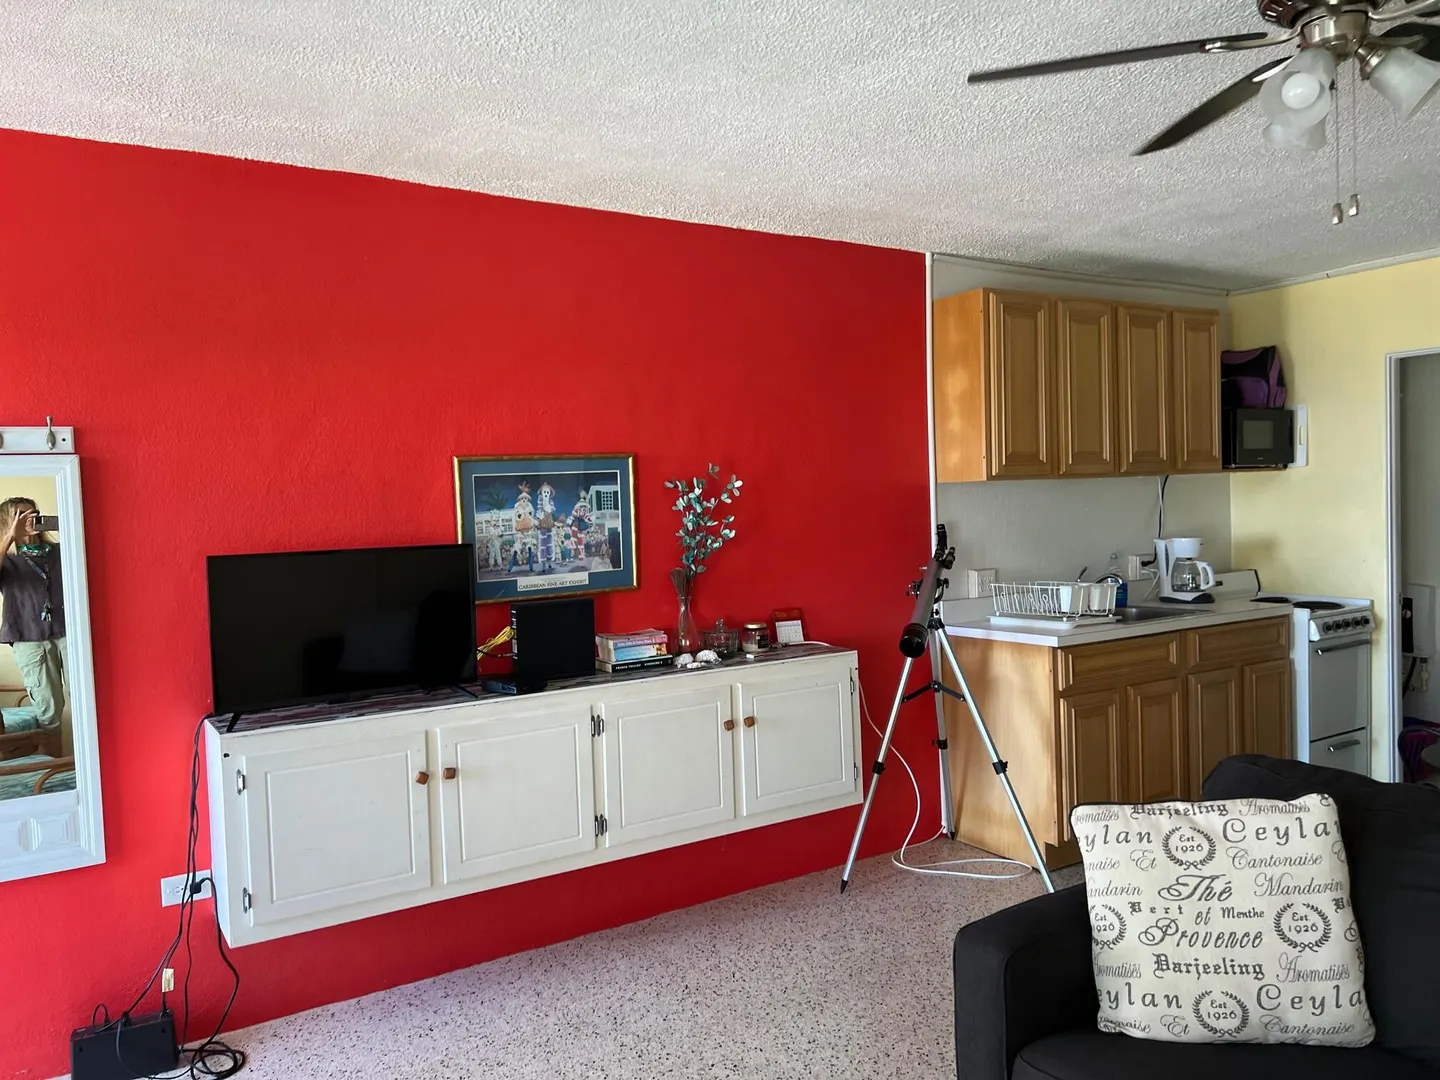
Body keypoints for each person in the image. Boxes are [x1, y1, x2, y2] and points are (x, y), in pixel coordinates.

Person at [0, 498, 66, 732]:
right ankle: (54, 756)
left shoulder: (60, 551)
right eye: (20, 515)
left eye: (34, 513)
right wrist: (10, 536)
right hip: (29, 637)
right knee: (49, 710)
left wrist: (68, 526)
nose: (30, 518)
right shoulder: (7, 558)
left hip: (69, 632)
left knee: (87, 696)